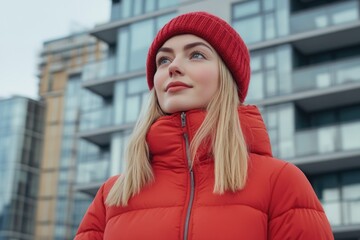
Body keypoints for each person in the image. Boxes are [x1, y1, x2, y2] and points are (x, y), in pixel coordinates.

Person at [75, 11, 334, 240]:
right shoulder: (112, 194)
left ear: (227, 76)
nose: (173, 66)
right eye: (163, 60)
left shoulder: (280, 182)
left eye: (196, 55)